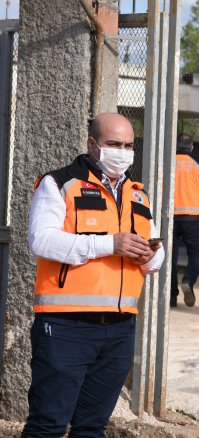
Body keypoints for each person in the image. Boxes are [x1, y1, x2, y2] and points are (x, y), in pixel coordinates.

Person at [23, 113, 165, 437]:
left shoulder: (138, 195)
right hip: (65, 327)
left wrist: (150, 254)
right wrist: (110, 244)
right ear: (92, 144)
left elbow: (155, 259)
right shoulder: (59, 184)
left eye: (128, 145)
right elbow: (41, 240)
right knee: (47, 426)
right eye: (114, 144)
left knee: (92, 428)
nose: (123, 151)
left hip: (118, 331)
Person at [170, 133, 199, 307]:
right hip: (193, 216)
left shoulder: (169, 162)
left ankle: (172, 297)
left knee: (170, 258)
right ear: (191, 147)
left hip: (170, 216)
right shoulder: (197, 163)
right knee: (195, 254)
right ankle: (188, 280)